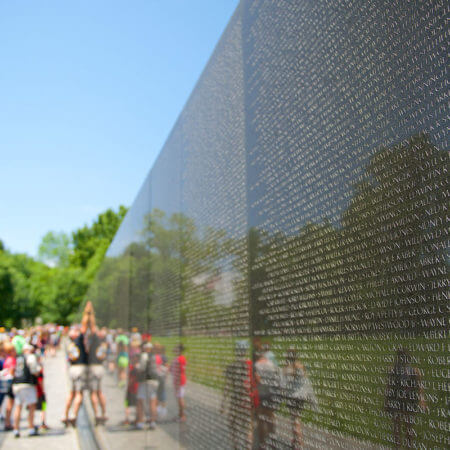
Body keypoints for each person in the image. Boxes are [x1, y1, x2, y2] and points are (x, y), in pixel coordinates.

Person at [385, 348, 426, 449]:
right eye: (401, 357)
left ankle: (408, 447)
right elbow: (389, 385)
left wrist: (421, 400)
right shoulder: (393, 370)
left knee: (408, 426)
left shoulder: (415, 371)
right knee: (397, 425)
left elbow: (420, 386)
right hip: (396, 399)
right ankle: (397, 447)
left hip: (409, 400)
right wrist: (387, 400)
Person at [221, 340, 256, 450]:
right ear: (246, 351)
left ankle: (235, 447)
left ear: (236, 351)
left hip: (235, 401)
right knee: (248, 429)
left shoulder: (231, 366)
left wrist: (223, 403)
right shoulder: (252, 365)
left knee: (233, 426)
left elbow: (227, 386)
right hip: (248, 401)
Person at [63, 302, 92, 426]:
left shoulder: (69, 344)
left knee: (71, 393)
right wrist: (87, 312)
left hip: (72, 369)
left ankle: (65, 414)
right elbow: (84, 326)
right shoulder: (78, 340)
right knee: (79, 393)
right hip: (80, 368)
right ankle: (74, 415)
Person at [12, 341, 40, 437]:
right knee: (31, 406)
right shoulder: (30, 357)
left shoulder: (17, 357)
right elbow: (34, 370)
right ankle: (31, 427)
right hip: (28, 383)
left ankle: (16, 429)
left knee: (18, 406)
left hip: (17, 384)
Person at [254, 347, 280, 448]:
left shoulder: (257, 365)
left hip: (261, 395)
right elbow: (277, 381)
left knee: (261, 420)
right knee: (271, 418)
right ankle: (273, 440)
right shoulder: (272, 365)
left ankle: (262, 444)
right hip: (271, 395)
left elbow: (256, 380)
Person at [136, 342, 159, 429]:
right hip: (154, 380)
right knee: (152, 401)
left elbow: (141, 368)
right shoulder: (154, 356)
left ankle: (140, 421)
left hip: (145, 380)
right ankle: (153, 421)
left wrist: (137, 369)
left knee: (140, 401)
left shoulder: (144, 355)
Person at [170, 344, 187, 423]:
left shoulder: (181, 359)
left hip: (179, 381)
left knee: (180, 398)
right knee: (178, 398)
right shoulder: (176, 358)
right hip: (176, 380)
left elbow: (181, 371)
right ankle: (180, 414)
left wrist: (178, 382)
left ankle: (182, 415)